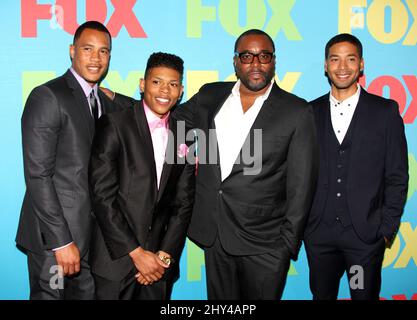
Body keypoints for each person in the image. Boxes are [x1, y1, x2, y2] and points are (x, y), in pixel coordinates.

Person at [172, 29, 318, 299]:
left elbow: (302, 185)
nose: (255, 63)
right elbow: (169, 117)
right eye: (247, 56)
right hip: (215, 236)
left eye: (264, 56)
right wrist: (119, 103)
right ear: (235, 62)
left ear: (274, 61)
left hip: (266, 245)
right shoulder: (210, 95)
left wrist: (285, 245)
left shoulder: (296, 111)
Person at [16, 21, 122, 299]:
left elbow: (140, 110)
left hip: (90, 240)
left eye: (104, 51)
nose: (96, 58)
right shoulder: (49, 96)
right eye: (88, 49)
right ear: (72, 51)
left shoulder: (104, 102)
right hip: (55, 242)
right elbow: (38, 175)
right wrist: (61, 241)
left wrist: (112, 95)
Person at [304, 33, 408, 300]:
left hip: (363, 240)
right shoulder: (308, 113)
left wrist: (386, 230)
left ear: (361, 64)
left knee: (362, 295)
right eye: (335, 59)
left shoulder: (384, 112)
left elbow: (397, 176)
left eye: (350, 59)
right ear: (325, 65)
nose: (342, 67)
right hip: (320, 237)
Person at [89, 52, 195, 300]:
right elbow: (102, 196)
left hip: (159, 267)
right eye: (157, 82)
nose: (165, 91)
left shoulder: (186, 134)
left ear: (181, 91)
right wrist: (137, 254)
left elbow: (184, 204)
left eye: (173, 84)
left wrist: (164, 255)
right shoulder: (114, 124)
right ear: (142, 84)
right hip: (115, 262)